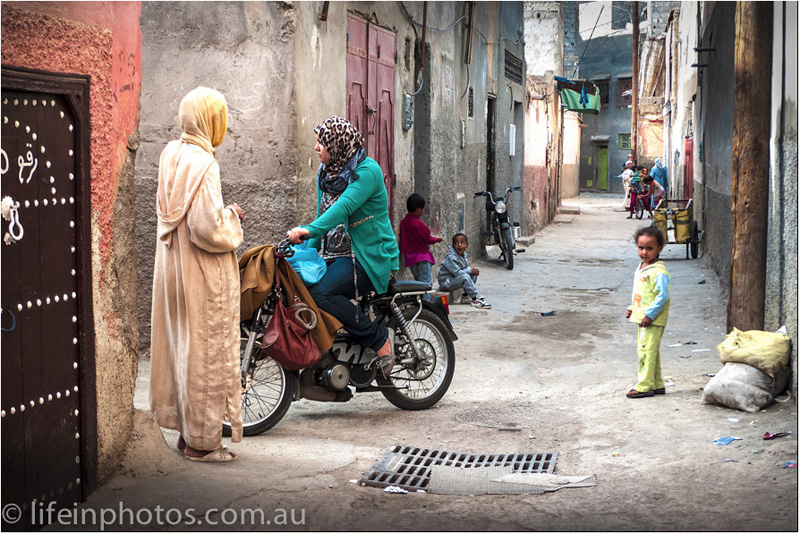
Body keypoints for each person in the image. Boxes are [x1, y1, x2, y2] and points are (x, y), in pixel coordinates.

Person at [150, 87, 244, 462]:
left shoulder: (170, 153)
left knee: (181, 348)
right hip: (201, 274)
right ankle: (203, 443)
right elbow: (207, 229)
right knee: (205, 353)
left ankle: (185, 433)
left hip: (172, 270)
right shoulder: (205, 165)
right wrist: (233, 218)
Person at [287, 117, 399, 376]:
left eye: (322, 143)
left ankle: (378, 338)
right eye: (317, 142)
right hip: (335, 255)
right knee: (300, 287)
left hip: (368, 256)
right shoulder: (326, 174)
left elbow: (343, 207)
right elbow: (321, 215)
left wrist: (309, 230)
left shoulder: (366, 172)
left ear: (337, 145)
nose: (317, 148)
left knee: (322, 294)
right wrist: (306, 250)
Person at [625, 227, 671, 398]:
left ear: (660, 249)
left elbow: (662, 296)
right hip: (644, 317)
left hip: (652, 320)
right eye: (641, 248)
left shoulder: (659, 272)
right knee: (651, 352)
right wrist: (632, 308)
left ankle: (644, 386)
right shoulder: (643, 267)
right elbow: (643, 293)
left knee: (645, 352)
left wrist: (650, 314)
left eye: (649, 248)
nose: (644, 252)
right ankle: (657, 384)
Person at [399, 193, 443, 296]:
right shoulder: (419, 224)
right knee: (426, 285)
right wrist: (436, 239)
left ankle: (419, 304)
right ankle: (425, 307)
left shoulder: (403, 222)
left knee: (418, 284)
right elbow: (427, 238)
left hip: (411, 258)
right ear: (418, 209)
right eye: (422, 209)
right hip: (422, 257)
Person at [437, 233, 491, 309]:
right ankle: (475, 299)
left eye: (462, 242)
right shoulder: (450, 257)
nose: (459, 245)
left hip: (454, 279)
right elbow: (457, 273)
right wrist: (470, 271)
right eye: (456, 243)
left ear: (466, 245)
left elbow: (465, 268)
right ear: (453, 245)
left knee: (473, 273)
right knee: (465, 276)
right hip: (446, 282)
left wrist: (471, 271)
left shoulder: (463, 254)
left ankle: (465, 297)